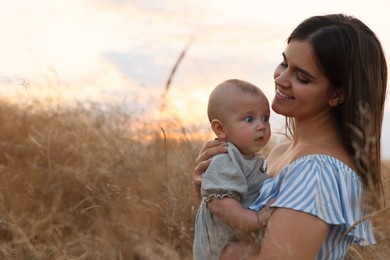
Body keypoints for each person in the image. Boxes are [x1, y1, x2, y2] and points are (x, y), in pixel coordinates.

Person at [193, 14, 387, 259]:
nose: (280, 79)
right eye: (285, 64)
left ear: (337, 94)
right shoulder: (280, 152)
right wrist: (214, 193)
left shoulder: (317, 171)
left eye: (302, 77)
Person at [193, 79, 273, 260]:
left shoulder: (251, 159)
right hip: (222, 247)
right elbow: (220, 205)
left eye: (265, 118)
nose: (261, 126)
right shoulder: (226, 158)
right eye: (249, 119)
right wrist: (259, 219)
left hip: (237, 239)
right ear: (220, 129)